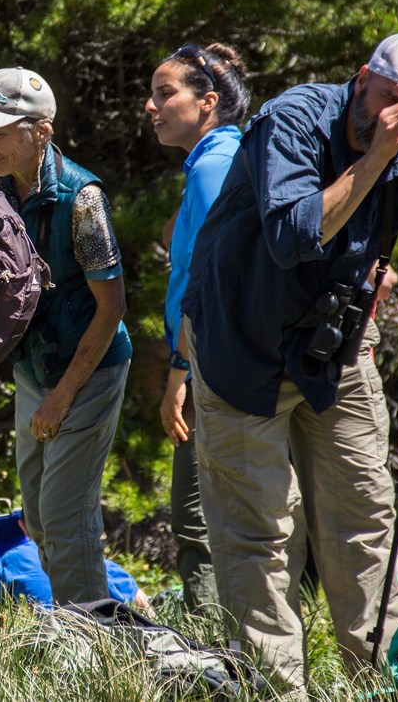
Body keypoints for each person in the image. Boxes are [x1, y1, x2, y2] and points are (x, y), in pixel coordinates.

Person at [182, 32, 398, 692]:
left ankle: (389, 683)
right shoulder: (295, 119)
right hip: (239, 347)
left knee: (364, 519)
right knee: (259, 534)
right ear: (364, 77)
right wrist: (379, 154)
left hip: (331, 353)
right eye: (394, 95)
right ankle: (277, 688)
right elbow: (293, 236)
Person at [0, 68, 131, 606]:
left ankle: (93, 643)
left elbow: (112, 308)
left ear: (42, 133)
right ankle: (78, 621)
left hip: (89, 369)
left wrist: (61, 397)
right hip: (34, 368)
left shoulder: (83, 199)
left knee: (64, 511)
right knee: (37, 509)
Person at [145, 43, 250, 612]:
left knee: (195, 517)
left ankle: (216, 646)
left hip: (208, 361)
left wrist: (179, 371)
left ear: (208, 102)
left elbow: (207, 282)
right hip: (214, 357)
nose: (151, 106)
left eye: (165, 94)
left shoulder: (213, 163)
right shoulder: (216, 160)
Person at [0, 515, 144, 609]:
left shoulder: (10, 561)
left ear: (23, 525)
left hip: (41, 643)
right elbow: (141, 601)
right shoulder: (86, 556)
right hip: (93, 635)